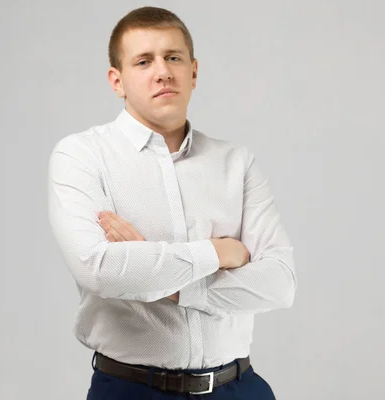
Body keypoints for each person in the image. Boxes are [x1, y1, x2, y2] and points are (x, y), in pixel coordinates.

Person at [47, 6, 296, 399]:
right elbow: (98, 270)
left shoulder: (236, 162)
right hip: (132, 389)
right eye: (144, 61)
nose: (162, 71)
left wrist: (163, 281)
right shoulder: (82, 156)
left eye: (173, 58)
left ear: (193, 71)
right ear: (117, 80)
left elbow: (280, 284)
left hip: (239, 388)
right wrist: (219, 252)